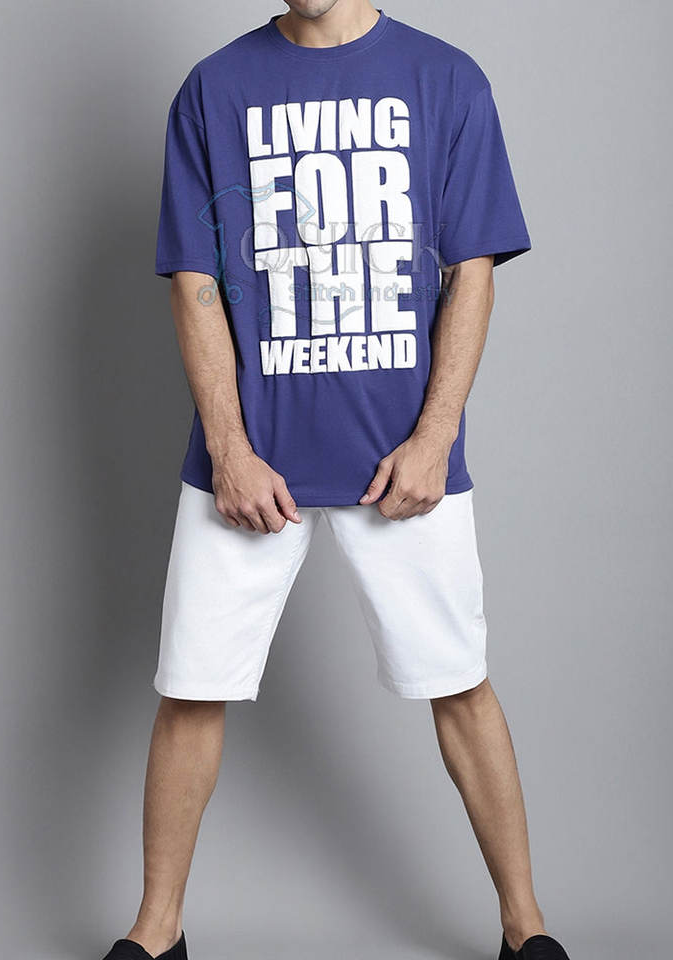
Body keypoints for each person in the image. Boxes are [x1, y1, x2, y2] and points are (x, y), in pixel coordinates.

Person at [101, 3, 570, 959]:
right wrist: (229, 449)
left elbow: (472, 271)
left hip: (401, 462)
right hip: (250, 463)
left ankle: (526, 928)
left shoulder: (447, 81)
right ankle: (157, 931)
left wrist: (434, 437)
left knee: (461, 685)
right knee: (191, 687)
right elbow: (194, 281)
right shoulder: (214, 90)